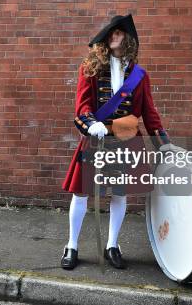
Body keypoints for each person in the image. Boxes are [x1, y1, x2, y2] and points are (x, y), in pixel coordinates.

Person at [60, 13, 171, 270]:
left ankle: (112, 245)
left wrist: (165, 145)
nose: (113, 36)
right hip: (97, 138)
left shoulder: (139, 75)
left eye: (118, 32)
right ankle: (71, 245)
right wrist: (91, 124)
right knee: (82, 193)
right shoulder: (90, 68)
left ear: (128, 39)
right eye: (110, 33)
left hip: (127, 140)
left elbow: (150, 114)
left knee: (119, 194)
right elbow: (81, 108)